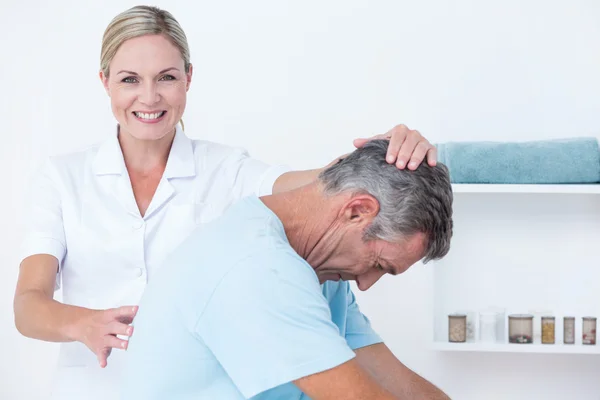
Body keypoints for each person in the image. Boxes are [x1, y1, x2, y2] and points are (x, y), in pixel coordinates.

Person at [13, 5, 440, 400]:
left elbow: (321, 189)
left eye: (166, 77)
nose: (149, 97)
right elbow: (28, 304)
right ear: (105, 82)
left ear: (188, 79)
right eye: (130, 79)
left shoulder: (227, 170)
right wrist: (82, 323)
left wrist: (388, 153)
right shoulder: (63, 177)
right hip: (89, 387)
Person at [120, 139, 453, 400]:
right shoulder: (257, 264)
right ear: (357, 211)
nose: (365, 284)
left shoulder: (320, 272)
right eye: (378, 264)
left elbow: (391, 378)